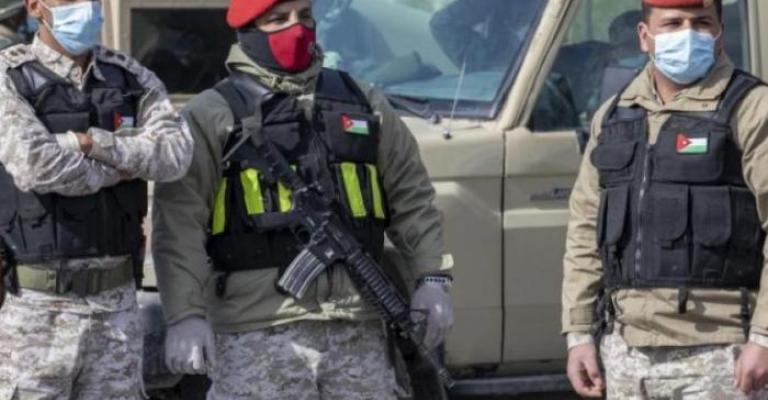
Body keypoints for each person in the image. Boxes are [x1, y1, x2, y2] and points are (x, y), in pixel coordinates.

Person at [152, 0, 454, 399]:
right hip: (256, 335)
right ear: (249, 32)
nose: (296, 29)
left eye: (304, 16)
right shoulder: (212, 114)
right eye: (278, 20)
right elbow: (178, 224)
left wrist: (431, 278)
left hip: (357, 329)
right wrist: (185, 314)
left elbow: (412, 196)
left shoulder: (360, 100)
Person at [562, 0, 768, 398]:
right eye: (672, 23)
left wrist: (763, 337)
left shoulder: (752, 108)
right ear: (645, 36)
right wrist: (579, 334)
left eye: (701, 23)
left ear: (720, 34)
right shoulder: (614, 115)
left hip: (722, 354)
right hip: (626, 356)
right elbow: (585, 230)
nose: (688, 34)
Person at [0, 0, 193, 397]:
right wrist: (124, 166)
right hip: (35, 311)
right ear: (36, 7)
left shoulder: (131, 76)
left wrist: (94, 144)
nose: (86, 8)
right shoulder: (9, 76)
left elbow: (174, 155)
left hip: (116, 310)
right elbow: (37, 165)